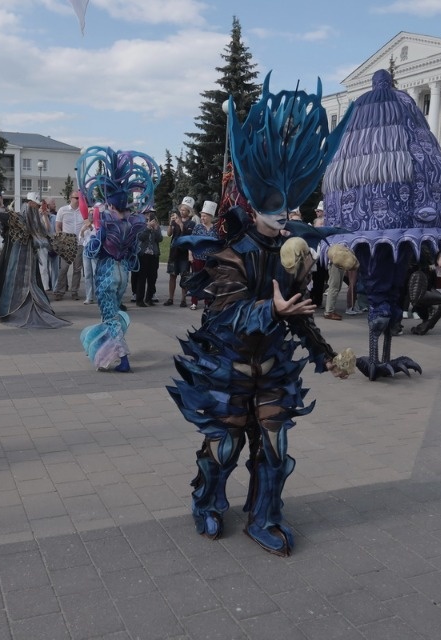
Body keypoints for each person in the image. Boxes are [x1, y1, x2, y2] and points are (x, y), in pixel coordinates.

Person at [170, 79, 352, 556]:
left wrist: (325, 354)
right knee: (225, 446)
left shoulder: (292, 253)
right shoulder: (232, 252)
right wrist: (269, 307)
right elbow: (226, 310)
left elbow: (298, 312)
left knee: (275, 446)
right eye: (275, 204)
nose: (285, 213)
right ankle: (207, 503)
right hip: (228, 366)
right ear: (254, 203)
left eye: (290, 203)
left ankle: (265, 516)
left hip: (271, 365)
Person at [77, 147, 159, 372]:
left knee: (110, 316)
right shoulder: (133, 224)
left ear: (111, 205)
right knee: (113, 314)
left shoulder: (106, 223)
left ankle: (122, 359)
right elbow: (134, 256)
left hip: (106, 274)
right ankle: (104, 349)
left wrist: (90, 232)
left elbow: (91, 251)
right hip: (123, 273)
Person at [0, 193, 70, 329]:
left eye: (37, 206)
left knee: (31, 283)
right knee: (15, 283)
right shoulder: (18, 217)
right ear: (28, 203)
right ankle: (13, 309)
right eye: (35, 205)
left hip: (30, 260)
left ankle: (33, 306)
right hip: (16, 260)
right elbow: (4, 217)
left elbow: (44, 236)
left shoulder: (36, 220)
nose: (36, 208)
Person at [164, 197, 196, 306]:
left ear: (189, 211)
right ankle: (170, 298)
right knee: (172, 275)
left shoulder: (191, 224)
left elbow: (188, 237)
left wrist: (181, 225)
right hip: (174, 252)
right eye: (181, 210)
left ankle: (183, 299)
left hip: (184, 254)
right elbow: (169, 234)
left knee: (184, 277)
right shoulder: (175, 220)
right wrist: (170, 223)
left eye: (184, 210)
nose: (181, 212)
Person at [188, 201, 218, 310]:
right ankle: (194, 302)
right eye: (202, 216)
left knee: (209, 280)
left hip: (210, 259)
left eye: (205, 216)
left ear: (210, 217)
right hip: (198, 258)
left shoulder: (216, 229)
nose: (202, 218)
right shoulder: (198, 228)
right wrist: (190, 255)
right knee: (196, 279)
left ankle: (207, 301)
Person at [53, 192, 83, 300]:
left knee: (77, 269)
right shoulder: (63, 210)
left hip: (79, 243)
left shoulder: (83, 211)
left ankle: (74, 291)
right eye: (76, 198)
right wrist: (60, 240)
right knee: (64, 268)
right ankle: (59, 291)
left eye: (80, 198)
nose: (79, 200)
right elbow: (57, 226)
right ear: (71, 198)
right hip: (67, 244)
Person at [134, 212, 162, 306]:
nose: (149, 218)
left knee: (152, 278)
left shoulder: (156, 227)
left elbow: (160, 239)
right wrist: (147, 228)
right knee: (142, 278)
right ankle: (139, 300)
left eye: (151, 217)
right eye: (147, 216)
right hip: (143, 254)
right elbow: (140, 237)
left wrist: (155, 229)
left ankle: (149, 298)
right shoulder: (141, 226)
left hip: (153, 254)